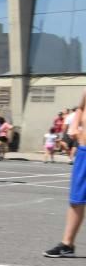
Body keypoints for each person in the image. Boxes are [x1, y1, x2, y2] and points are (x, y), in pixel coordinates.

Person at [44, 93, 86, 257]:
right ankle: (67, 244)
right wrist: (74, 127)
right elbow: (81, 108)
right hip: (84, 151)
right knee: (76, 200)